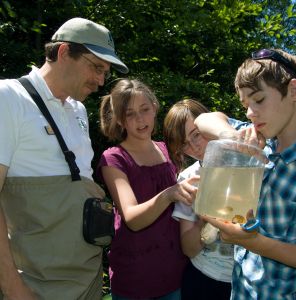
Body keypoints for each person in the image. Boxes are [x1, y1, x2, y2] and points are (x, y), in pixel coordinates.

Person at [0, 17, 128, 300]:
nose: (101, 81)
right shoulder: (7, 97)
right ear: (63, 52)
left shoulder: (79, 111)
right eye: (96, 67)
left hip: (88, 279)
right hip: (37, 285)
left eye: (105, 72)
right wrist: (13, 289)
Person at [194, 48, 296, 299]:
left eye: (259, 100)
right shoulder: (256, 137)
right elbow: (203, 119)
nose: (250, 113)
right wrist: (230, 137)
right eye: (245, 105)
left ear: (294, 91)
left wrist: (253, 242)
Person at [97, 79, 199, 300]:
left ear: (155, 107)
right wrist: (169, 194)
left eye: (144, 109)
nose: (140, 119)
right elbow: (132, 218)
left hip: (176, 273)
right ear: (120, 120)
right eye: (130, 114)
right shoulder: (114, 158)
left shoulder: (168, 149)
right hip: (135, 278)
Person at [163, 99, 248, 299]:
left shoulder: (246, 161)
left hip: (248, 280)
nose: (194, 146)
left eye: (196, 135)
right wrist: (204, 216)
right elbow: (189, 248)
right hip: (205, 279)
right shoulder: (188, 180)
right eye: (184, 143)